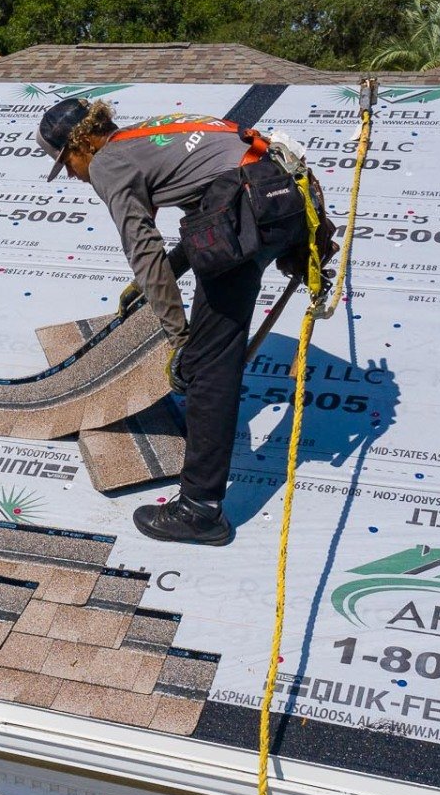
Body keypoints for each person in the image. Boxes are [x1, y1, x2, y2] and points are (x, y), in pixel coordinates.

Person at [37, 97, 327, 546]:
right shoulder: (149, 136)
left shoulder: (108, 163)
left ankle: (200, 510)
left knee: (210, 362)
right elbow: (205, 219)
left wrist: (179, 337)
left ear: (81, 144)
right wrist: (171, 275)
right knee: (211, 350)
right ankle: (204, 435)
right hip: (276, 195)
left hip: (248, 203)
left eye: (66, 163)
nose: (73, 175)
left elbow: (145, 250)